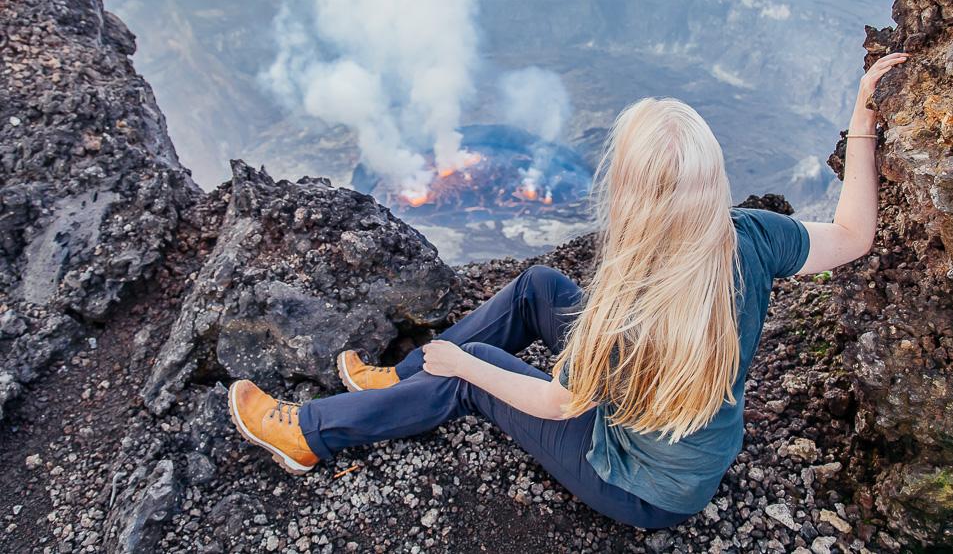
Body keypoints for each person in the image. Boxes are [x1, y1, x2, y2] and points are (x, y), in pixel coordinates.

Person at [227, 52, 909, 529]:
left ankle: (312, 433)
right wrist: (864, 122)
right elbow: (853, 233)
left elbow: (559, 400)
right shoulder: (752, 237)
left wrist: (465, 364)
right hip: (691, 449)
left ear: (631, 192)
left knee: (476, 375)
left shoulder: (629, 304)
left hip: (644, 488)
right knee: (539, 287)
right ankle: (396, 381)